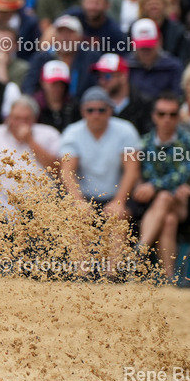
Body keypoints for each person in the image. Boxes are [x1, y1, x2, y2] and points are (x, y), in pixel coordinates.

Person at [58, 87, 142, 269]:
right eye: (90, 110)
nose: (96, 114)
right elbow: (67, 171)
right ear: (83, 112)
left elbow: (132, 169)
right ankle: (81, 275)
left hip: (116, 195)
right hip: (86, 196)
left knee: (118, 217)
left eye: (101, 110)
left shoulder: (125, 130)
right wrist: (78, 201)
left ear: (110, 110)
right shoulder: (73, 132)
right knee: (77, 216)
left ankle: (113, 276)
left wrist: (119, 201)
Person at [130, 92, 190, 283]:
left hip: (184, 203)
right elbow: (143, 175)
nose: (167, 119)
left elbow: (186, 172)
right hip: (158, 205)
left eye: (172, 114)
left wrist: (154, 186)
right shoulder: (144, 143)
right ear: (154, 116)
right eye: (162, 114)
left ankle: (139, 252)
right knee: (168, 219)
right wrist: (168, 186)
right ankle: (169, 279)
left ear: (179, 116)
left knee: (164, 198)